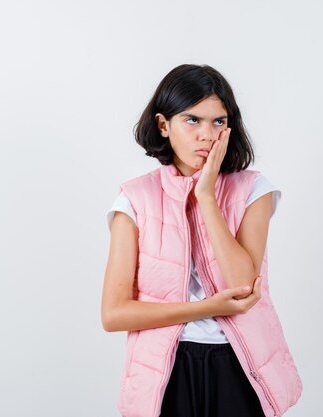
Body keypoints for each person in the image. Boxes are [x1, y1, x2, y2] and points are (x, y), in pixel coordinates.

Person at [101, 64, 302, 417]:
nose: (207, 134)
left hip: (240, 366)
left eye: (218, 121)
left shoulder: (253, 190)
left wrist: (206, 196)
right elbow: (114, 314)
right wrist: (207, 308)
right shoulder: (134, 200)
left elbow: (243, 284)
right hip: (167, 371)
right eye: (192, 120)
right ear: (164, 125)